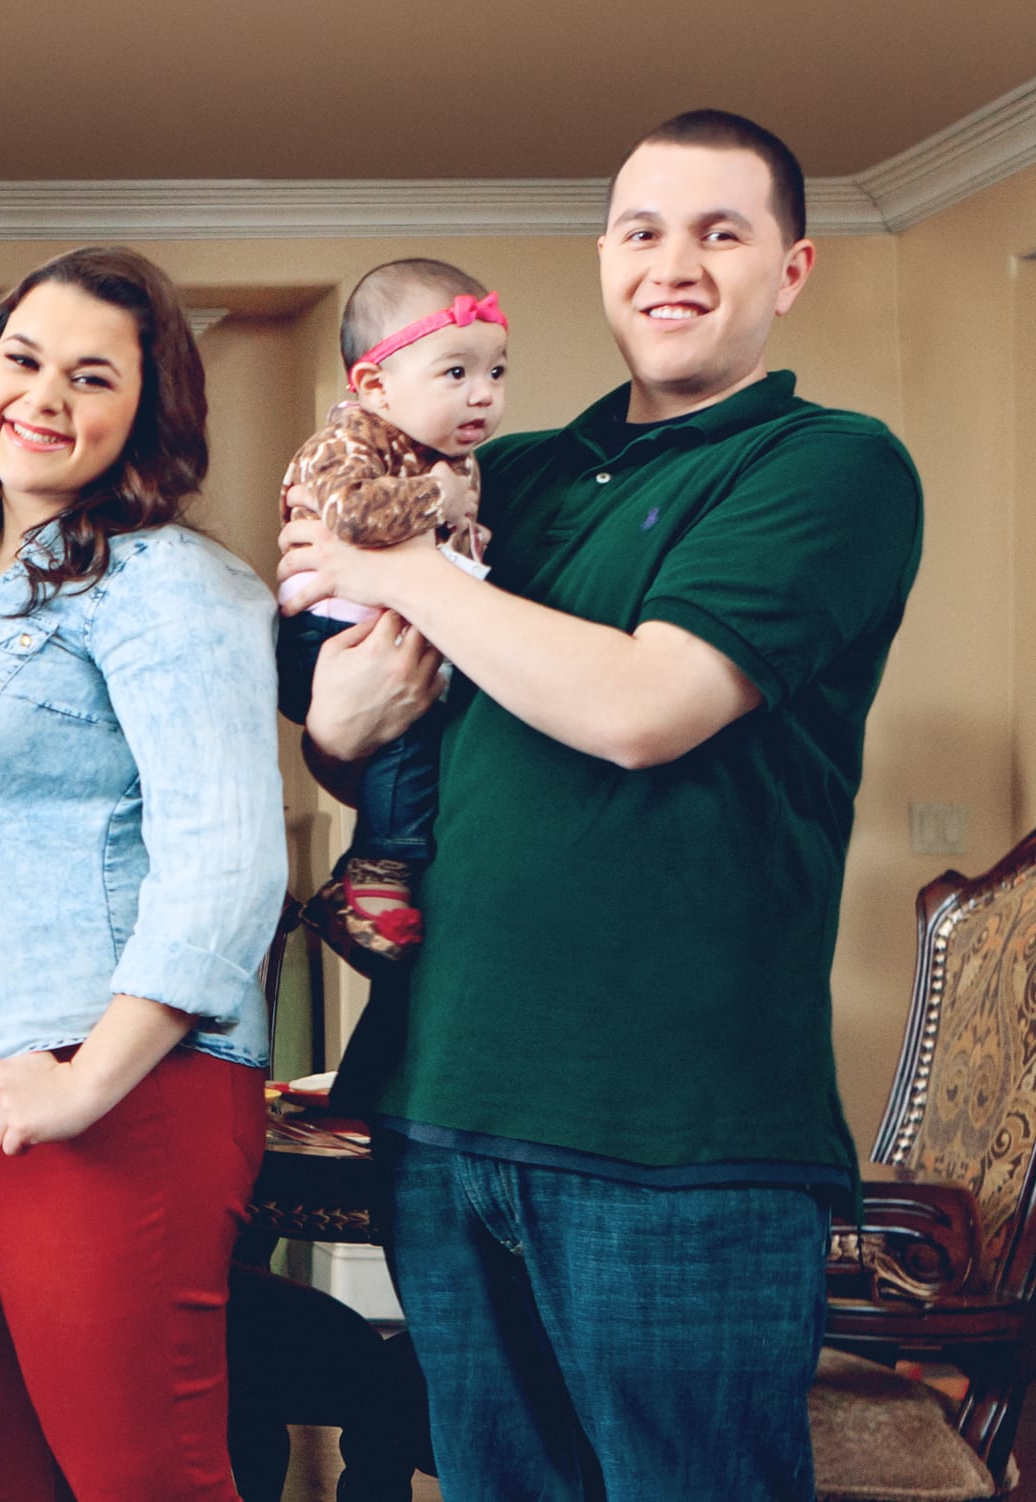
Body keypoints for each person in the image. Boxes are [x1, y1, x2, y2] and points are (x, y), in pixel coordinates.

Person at [288, 110, 924, 1499]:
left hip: (677, 1134)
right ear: (605, 258)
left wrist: (399, 570)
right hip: (443, 1099)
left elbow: (645, 708)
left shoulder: (828, 464)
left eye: (721, 232)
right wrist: (337, 728)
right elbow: (384, 737)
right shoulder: (501, 476)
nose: (673, 264)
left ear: (791, 269)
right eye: (643, 230)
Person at [0, 246, 285, 1500]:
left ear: (148, 411)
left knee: (148, 1479)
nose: (43, 395)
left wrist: (87, 1079)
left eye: (92, 376)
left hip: (105, 1083)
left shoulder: (171, 582)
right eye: (23, 359)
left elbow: (228, 861)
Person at [274, 258, 509, 965]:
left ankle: (381, 873)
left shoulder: (443, 455)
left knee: (428, 741)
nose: (483, 394)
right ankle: (374, 876)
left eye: (496, 372)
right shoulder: (348, 440)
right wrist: (440, 501)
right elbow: (350, 513)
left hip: (382, 628)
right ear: (375, 386)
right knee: (411, 737)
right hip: (330, 633)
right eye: (456, 373)